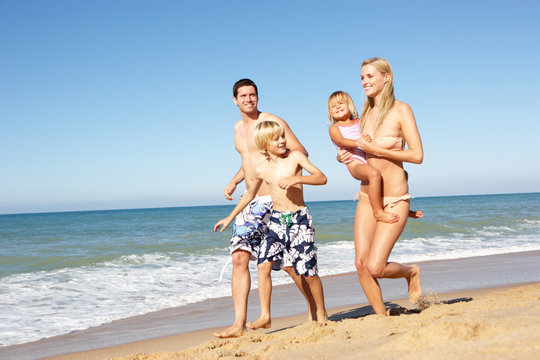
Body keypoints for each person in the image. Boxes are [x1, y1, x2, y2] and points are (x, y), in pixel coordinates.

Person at [215, 79, 315, 338]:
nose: (249, 99)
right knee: (239, 256)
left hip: (274, 200)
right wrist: (234, 181)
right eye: (243, 96)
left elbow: (299, 151)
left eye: (253, 94)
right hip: (250, 202)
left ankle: (316, 311)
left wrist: (288, 182)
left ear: (257, 97)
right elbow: (249, 162)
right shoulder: (237, 129)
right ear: (235, 100)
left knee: (288, 264)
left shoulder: (273, 122)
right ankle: (239, 324)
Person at [339, 57, 423, 315]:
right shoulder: (363, 115)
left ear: (386, 77)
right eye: (362, 77)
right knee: (361, 264)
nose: (364, 81)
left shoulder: (402, 110)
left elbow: (417, 155)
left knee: (376, 267)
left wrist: (376, 148)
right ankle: (382, 318)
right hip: (367, 196)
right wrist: (342, 157)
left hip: (396, 198)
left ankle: (411, 272)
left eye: (370, 76)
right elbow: (356, 152)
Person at [328, 91, 399, 224]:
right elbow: (341, 141)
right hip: (354, 162)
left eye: (341, 103)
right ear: (330, 112)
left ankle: (405, 210)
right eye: (333, 106)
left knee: (400, 175)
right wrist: (360, 142)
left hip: (369, 157)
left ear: (350, 105)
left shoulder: (361, 121)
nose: (337, 106)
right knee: (373, 174)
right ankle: (377, 211)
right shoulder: (334, 128)